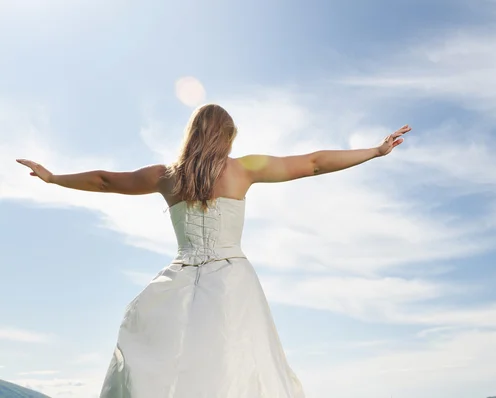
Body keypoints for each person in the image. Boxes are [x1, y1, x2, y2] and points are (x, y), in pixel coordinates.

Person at [16, 104, 411, 398]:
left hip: (178, 278)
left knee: (170, 363)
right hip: (231, 280)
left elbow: (104, 181)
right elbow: (313, 163)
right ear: (227, 136)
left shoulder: (165, 176)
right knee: (232, 363)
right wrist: (373, 152)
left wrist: (53, 179)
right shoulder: (243, 169)